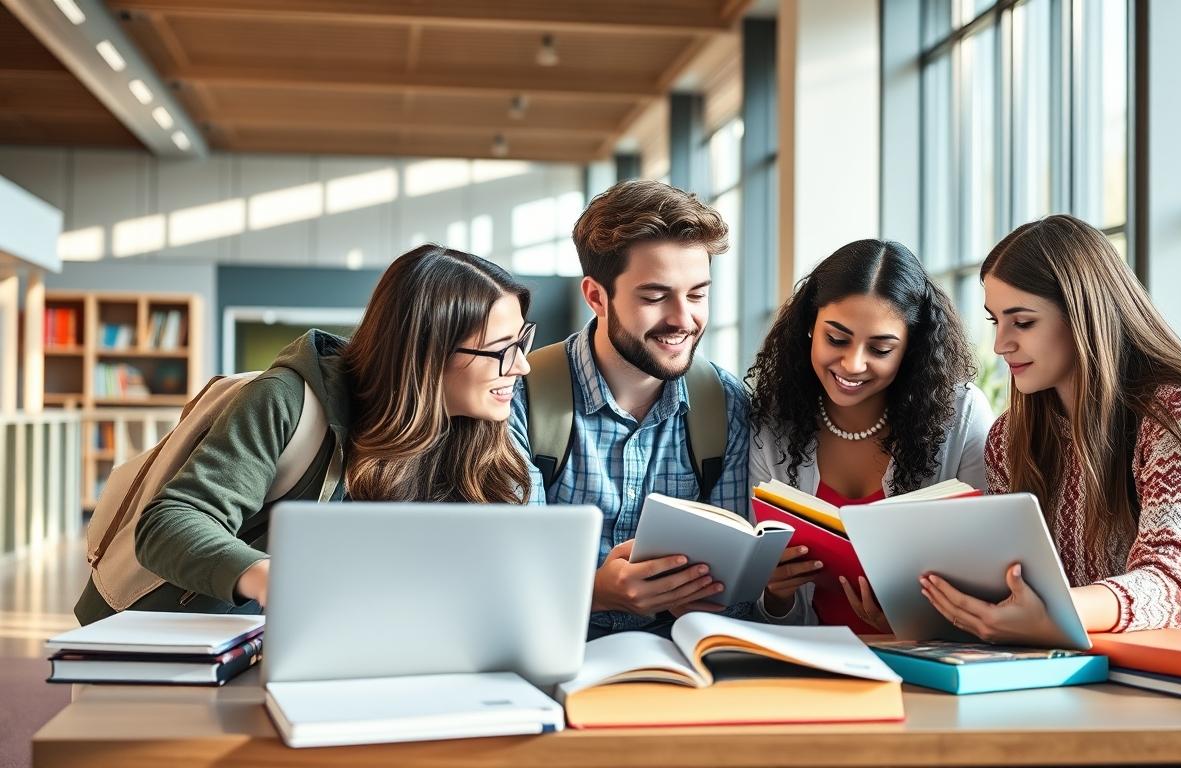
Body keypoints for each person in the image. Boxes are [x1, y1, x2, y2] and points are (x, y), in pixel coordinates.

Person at [74, 245, 538, 623]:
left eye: (523, 341)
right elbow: (170, 523)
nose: (522, 365)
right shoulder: (286, 400)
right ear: (425, 352)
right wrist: (268, 577)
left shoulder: (474, 433)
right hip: (188, 647)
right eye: (503, 349)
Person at [923, 214, 1181, 645]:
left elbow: (1174, 586)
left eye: (1023, 322)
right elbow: (1013, 581)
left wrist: (1056, 612)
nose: (1000, 345)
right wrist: (930, 601)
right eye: (996, 321)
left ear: (1084, 314)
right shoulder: (1009, 438)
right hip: (1080, 673)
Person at [509, 179, 751, 639]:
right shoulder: (520, 398)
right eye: (655, 296)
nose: (683, 319)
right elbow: (506, 579)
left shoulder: (725, 405)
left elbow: (734, 596)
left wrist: (712, 599)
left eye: (697, 294)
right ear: (597, 297)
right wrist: (595, 592)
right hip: (549, 653)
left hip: (679, 663)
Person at [747, 239, 993, 628]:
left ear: (911, 348)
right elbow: (762, 610)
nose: (853, 363)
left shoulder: (960, 415)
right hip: (808, 665)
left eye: (880, 349)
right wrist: (775, 592)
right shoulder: (774, 424)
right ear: (810, 325)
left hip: (925, 664)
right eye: (837, 339)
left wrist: (910, 619)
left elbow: (989, 571)